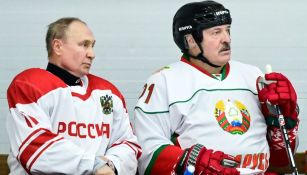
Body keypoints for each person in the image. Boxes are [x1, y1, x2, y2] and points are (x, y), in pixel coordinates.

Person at [133, 1, 299, 175]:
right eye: (216, 32)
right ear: (190, 40)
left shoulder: (252, 75)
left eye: (227, 30)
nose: (226, 38)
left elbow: (281, 160)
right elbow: (147, 153)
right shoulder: (164, 81)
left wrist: (285, 118)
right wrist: (190, 163)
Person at [6, 17, 141, 175]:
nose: (92, 54)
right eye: (84, 45)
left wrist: (112, 165)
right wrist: (95, 165)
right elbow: (36, 147)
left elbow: (128, 144)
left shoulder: (108, 93)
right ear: (57, 46)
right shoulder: (28, 85)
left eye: (92, 46)